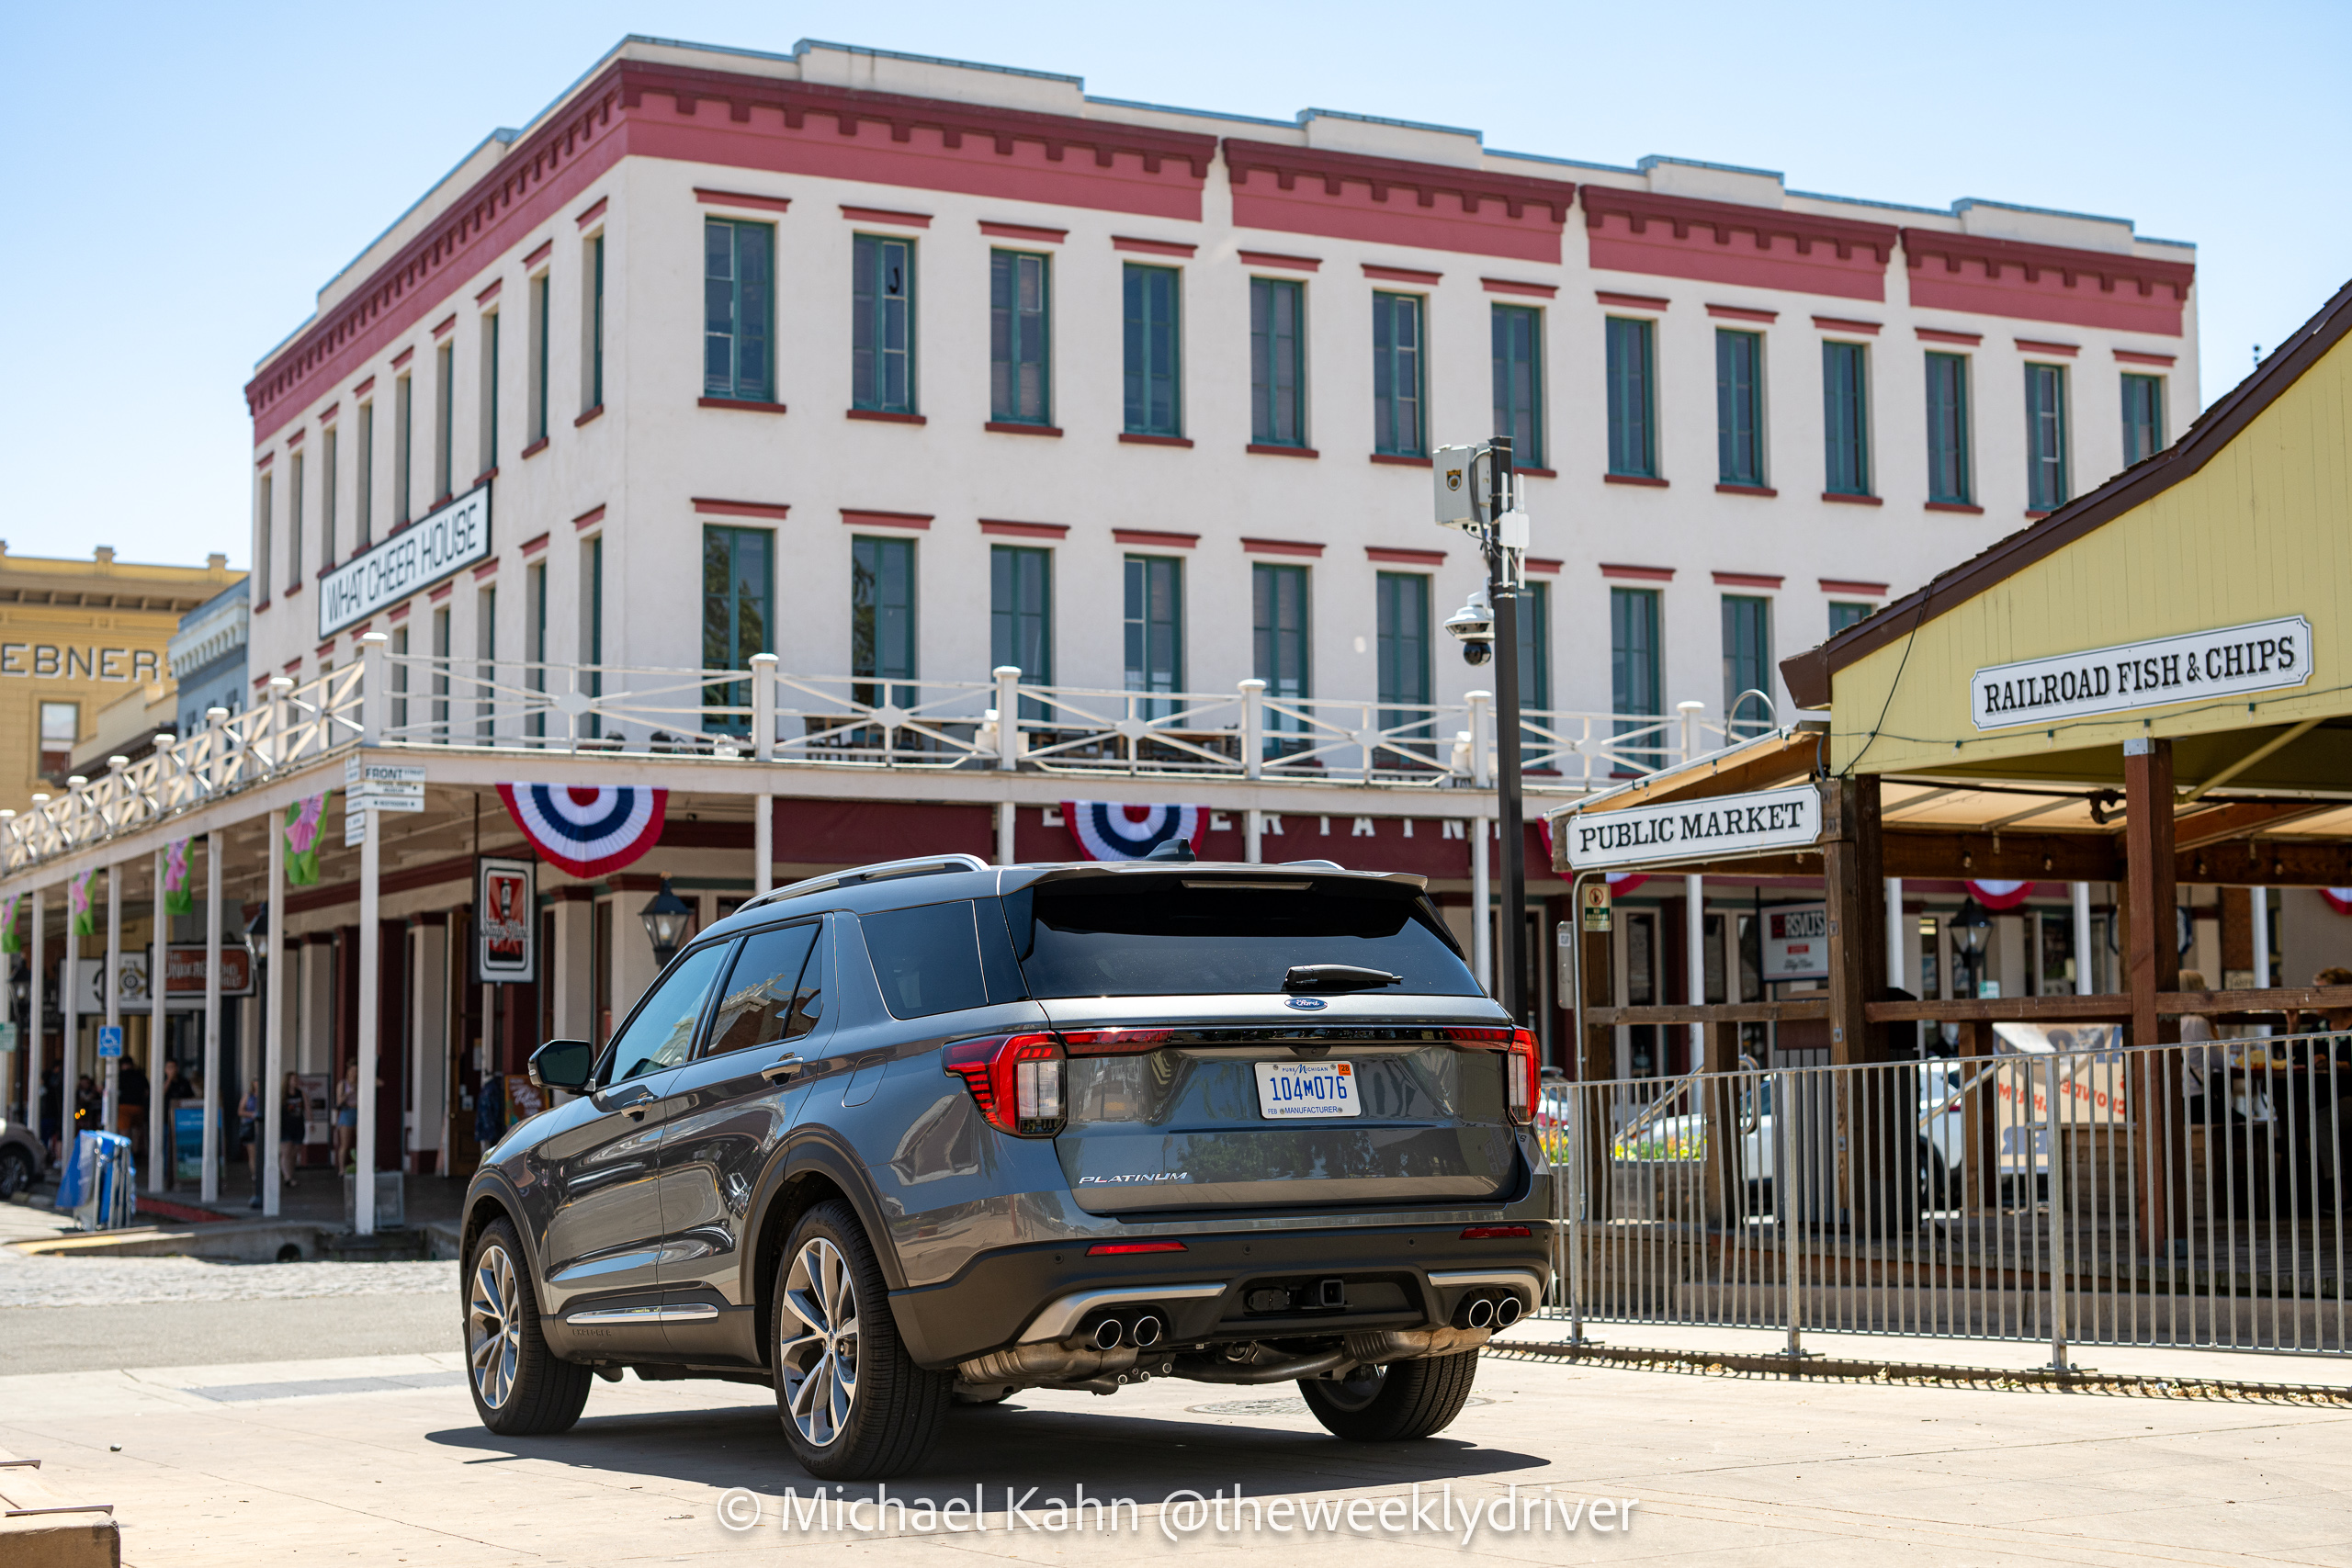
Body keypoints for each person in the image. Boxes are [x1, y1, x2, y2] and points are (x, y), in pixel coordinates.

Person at [157, 1058, 188, 1189]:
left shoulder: (183, 1082)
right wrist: (168, 1079)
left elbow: (189, 1098)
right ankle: (166, 1175)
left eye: (173, 1067)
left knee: (180, 1148)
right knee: (166, 1148)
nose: (172, 1070)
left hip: (181, 1121)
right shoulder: (162, 1081)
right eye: (169, 1067)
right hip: (165, 1120)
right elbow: (159, 1095)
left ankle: (181, 1174)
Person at [238, 1077, 264, 1209]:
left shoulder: (266, 1094)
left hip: (263, 1127)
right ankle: (255, 1175)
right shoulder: (248, 1096)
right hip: (250, 1127)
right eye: (255, 1080)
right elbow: (240, 1111)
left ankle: (263, 1174)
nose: (257, 1082)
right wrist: (252, 1114)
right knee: (252, 1154)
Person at [279, 1071, 306, 1189]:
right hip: (285, 1126)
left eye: (297, 1079)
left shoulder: (301, 1093)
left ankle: (290, 1174)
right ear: (288, 1081)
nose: (296, 1081)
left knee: (294, 1153)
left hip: (298, 1126)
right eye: (293, 1079)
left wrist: (311, 1122)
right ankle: (287, 1177)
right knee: (286, 1152)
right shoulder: (282, 1095)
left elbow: (307, 1107)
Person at [333, 1066, 356, 1173]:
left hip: (359, 1112)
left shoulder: (361, 1082)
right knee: (345, 1144)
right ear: (348, 1072)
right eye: (352, 1071)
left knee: (362, 1142)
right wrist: (349, 1092)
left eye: (356, 1071)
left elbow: (380, 1083)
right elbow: (338, 1102)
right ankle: (341, 1169)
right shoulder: (343, 1084)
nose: (354, 1073)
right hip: (347, 1112)